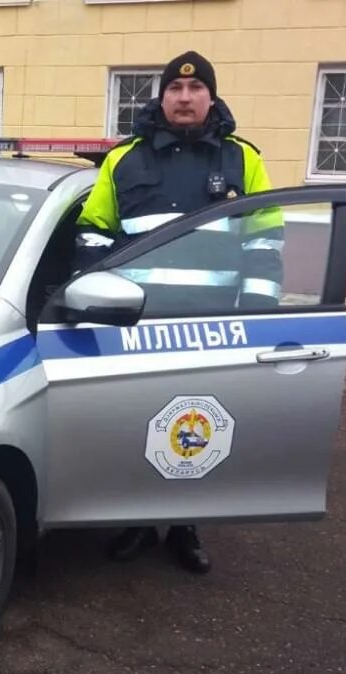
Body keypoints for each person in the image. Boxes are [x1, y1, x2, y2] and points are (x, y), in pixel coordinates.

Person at [74, 50, 284, 574]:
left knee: (199, 428)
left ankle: (186, 525)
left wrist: (255, 316)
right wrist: (94, 295)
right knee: (140, 424)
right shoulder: (125, 160)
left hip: (209, 326)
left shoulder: (243, 160)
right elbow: (94, 228)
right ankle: (140, 521)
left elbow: (264, 238)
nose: (184, 98)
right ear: (162, 97)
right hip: (138, 323)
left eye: (195, 90)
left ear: (210, 97)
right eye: (174, 90)